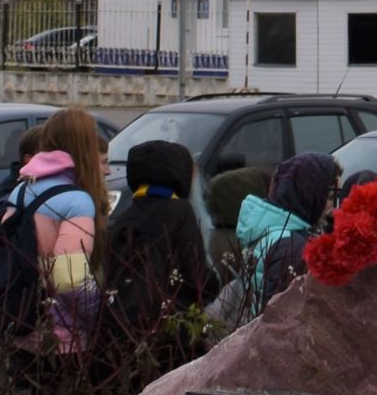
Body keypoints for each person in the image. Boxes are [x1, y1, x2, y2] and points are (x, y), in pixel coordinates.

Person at [15, 105, 110, 356]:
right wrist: (106, 315)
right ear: (85, 147)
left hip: (21, 330)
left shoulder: (22, 188)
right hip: (65, 341)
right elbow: (70, 278)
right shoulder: (75, 201)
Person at [100, 140, 209, 356]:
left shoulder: (126, 216)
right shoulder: (180, 211)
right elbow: (195, 272)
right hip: (171, 332)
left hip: (124, 330)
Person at [225, 154, 340, 319]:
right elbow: (282, 319)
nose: (333, 206)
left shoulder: (273, 230)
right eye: (330, 197)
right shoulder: (290, 245)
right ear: (308, 194)